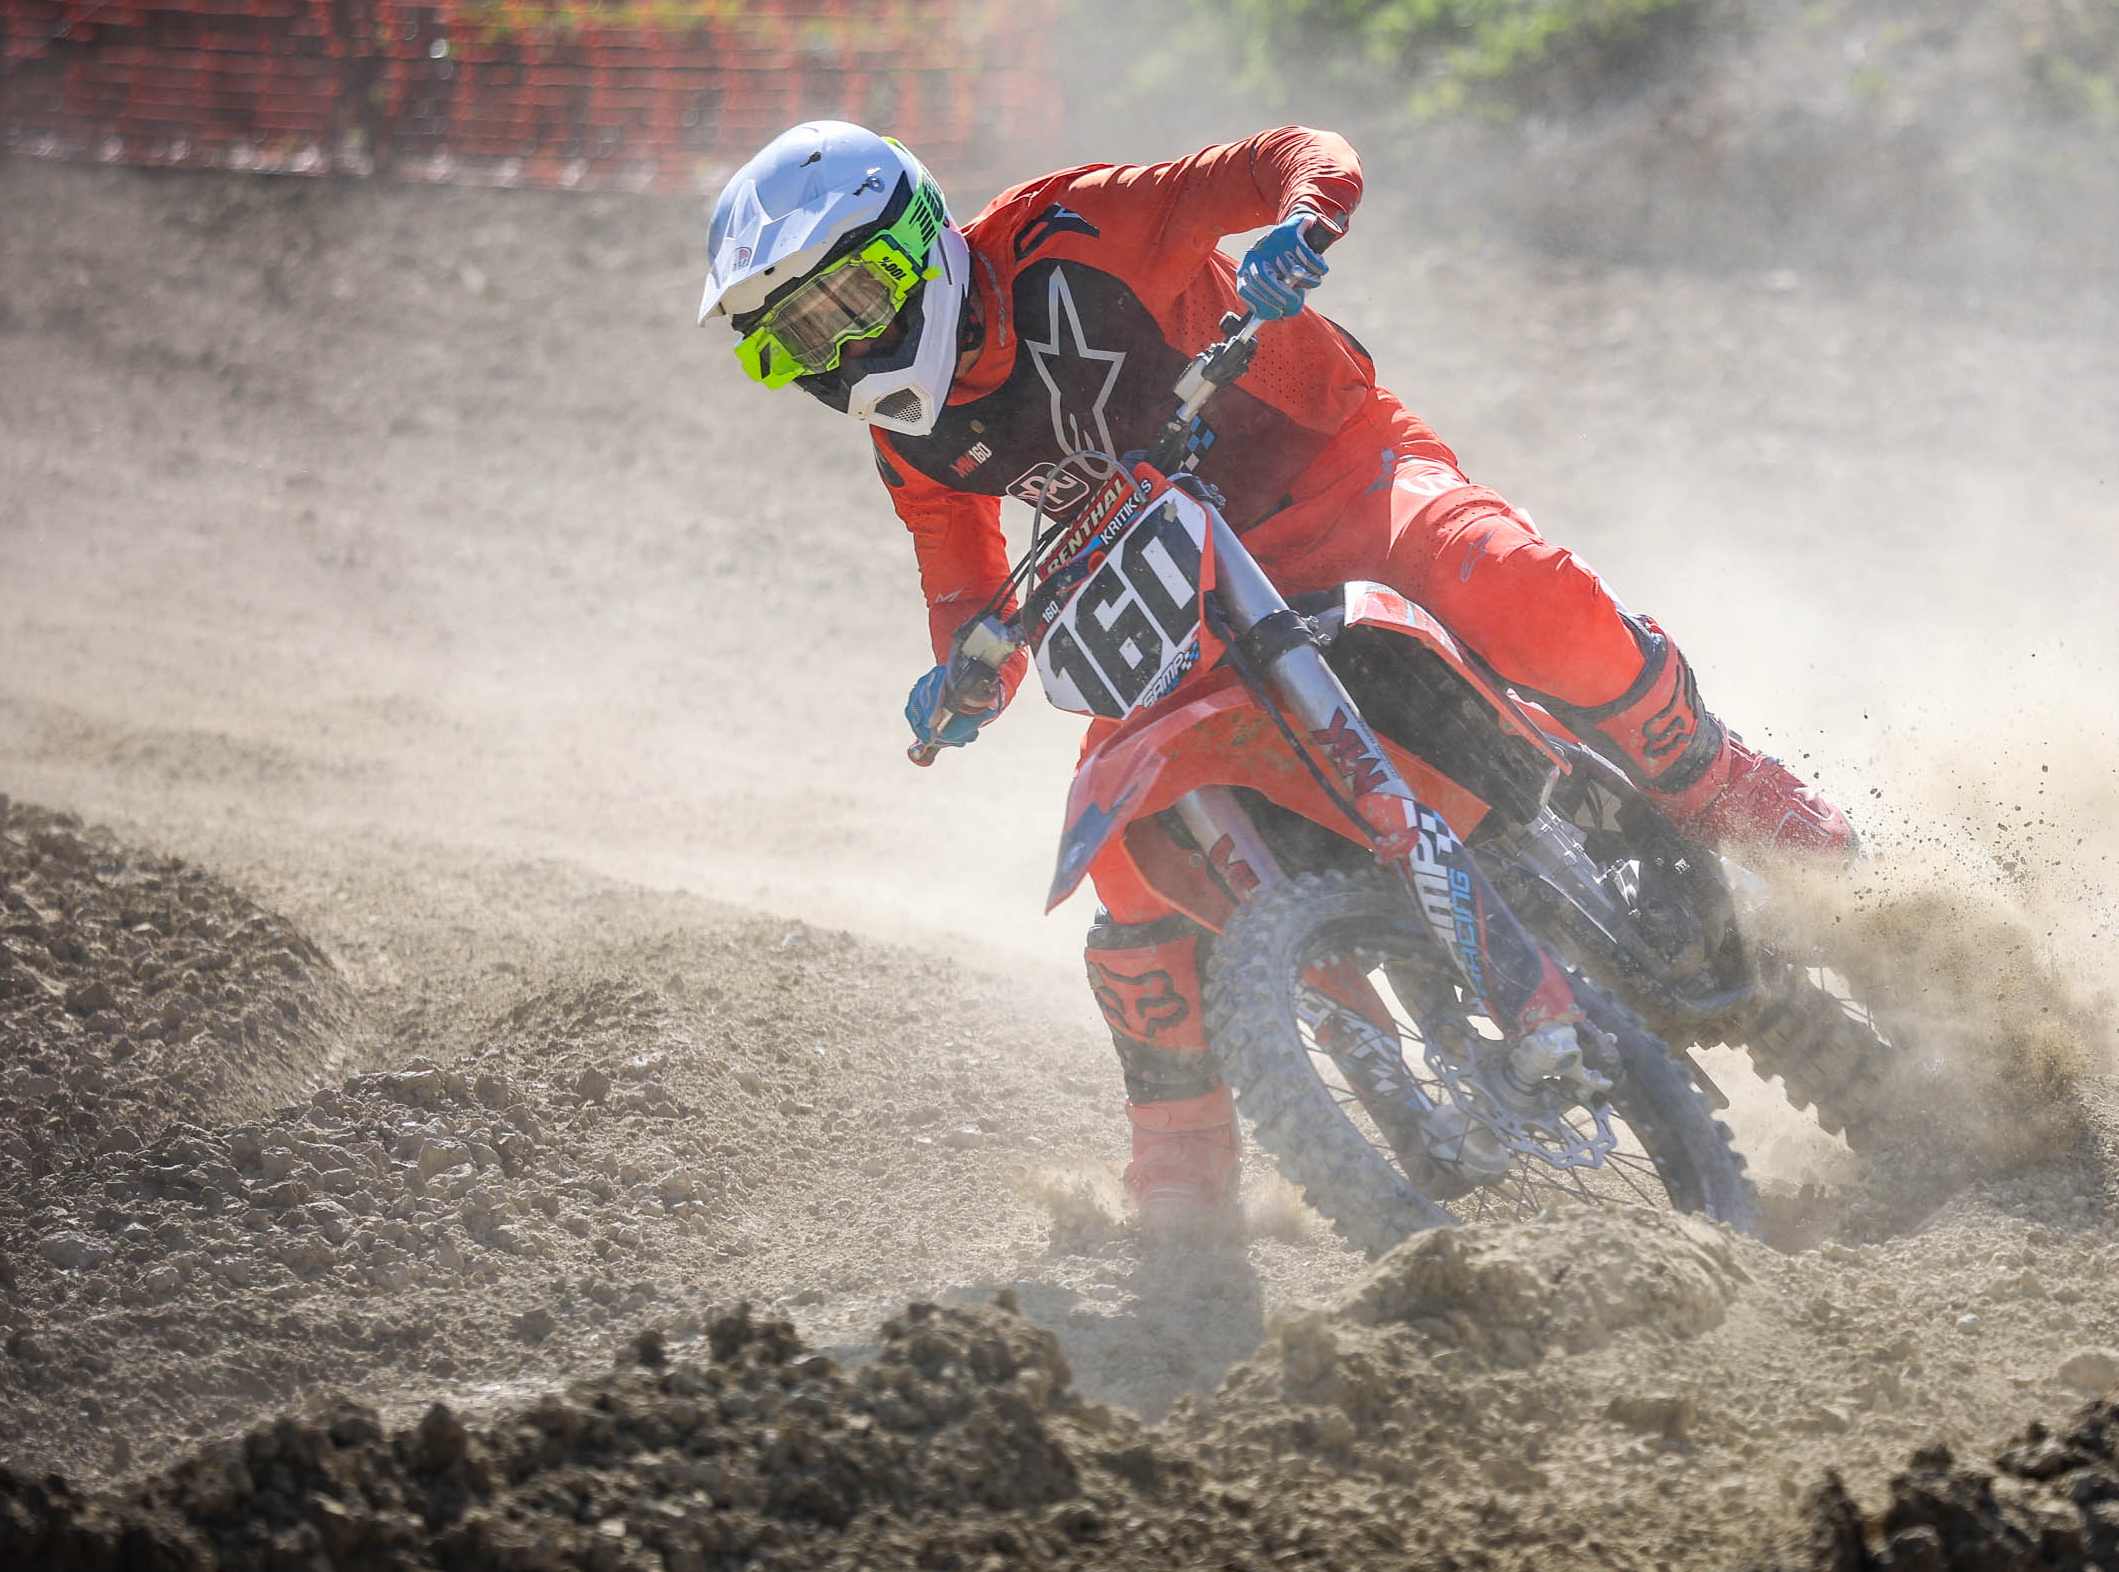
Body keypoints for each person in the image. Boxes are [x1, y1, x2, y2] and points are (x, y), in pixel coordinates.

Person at [697, 119, 1851, 1219]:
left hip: (1343, 479)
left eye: (855, 298)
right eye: (802, 336)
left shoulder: (1073, 228)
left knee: (1511, 581)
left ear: (917, 240)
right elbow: (966, 594)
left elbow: (1292, 155)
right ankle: (1181, 1155)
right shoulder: (909, 440)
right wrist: (964, 680)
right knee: (1121, 850)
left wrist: (1301, 224)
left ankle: (1722, 784)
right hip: (1182, 595)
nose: (844, 346)